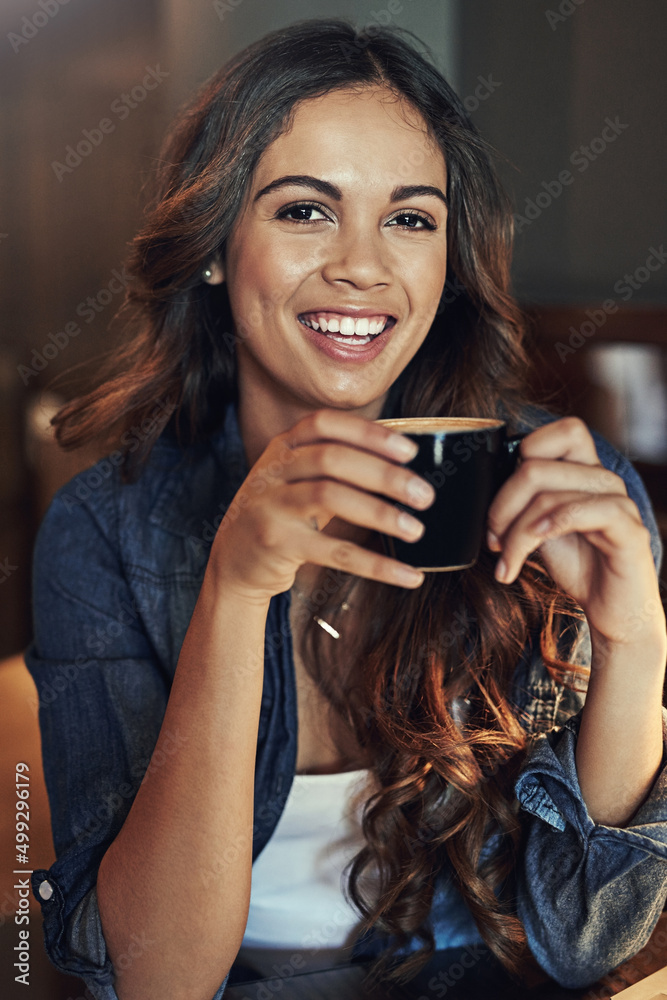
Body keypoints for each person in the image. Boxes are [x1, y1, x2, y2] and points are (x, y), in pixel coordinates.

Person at [26, 17, 667, 1000]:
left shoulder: (566, 493)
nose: (363, 266)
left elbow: (587, 942)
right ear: (210, 248)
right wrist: (235, 593)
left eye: (410, 219)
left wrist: (636, 642)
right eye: (303, 211)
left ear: (447, 261)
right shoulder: (102, 532)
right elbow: (157, 980)